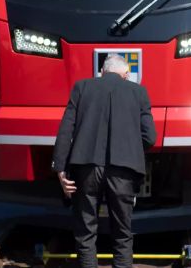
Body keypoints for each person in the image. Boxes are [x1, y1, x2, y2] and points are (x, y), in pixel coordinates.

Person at [51, 54, 157, 268]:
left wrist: (60, 169)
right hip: (123, 171)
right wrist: (130, 150)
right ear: (126, 75)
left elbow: (65, 130)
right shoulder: (139, 92)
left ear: (102, 72)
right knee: (122, 233)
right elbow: (150, 137)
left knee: (85, 231)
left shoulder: (82, 87)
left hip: (86, 168)